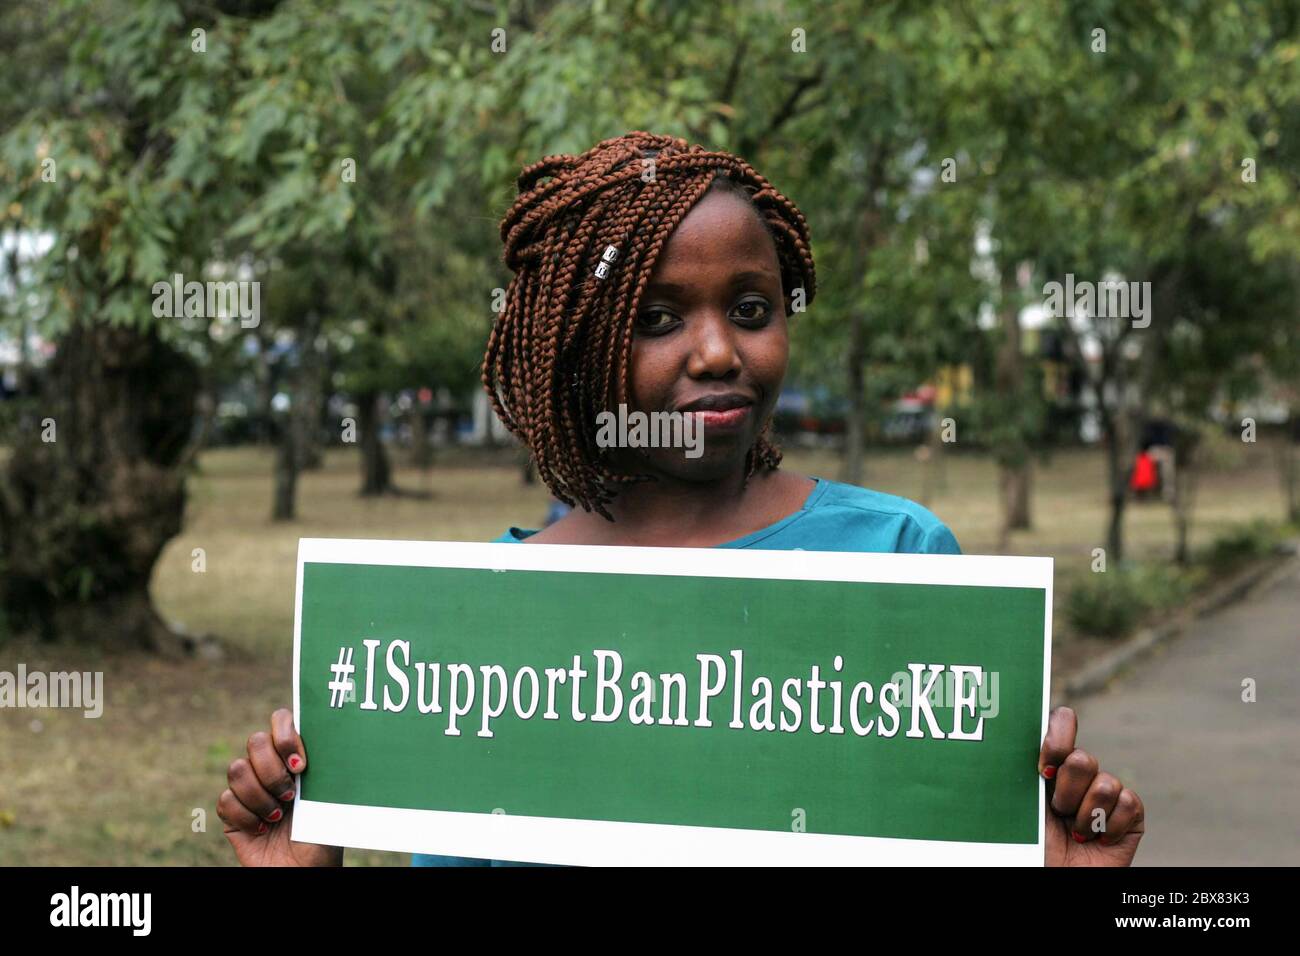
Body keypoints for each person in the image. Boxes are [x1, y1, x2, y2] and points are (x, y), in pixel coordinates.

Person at [218, 132, 1144, 867]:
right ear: (579, 347)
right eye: (657, 320)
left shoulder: (899, 555)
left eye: (752, 308)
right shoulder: (495, 613)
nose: (716, 353)